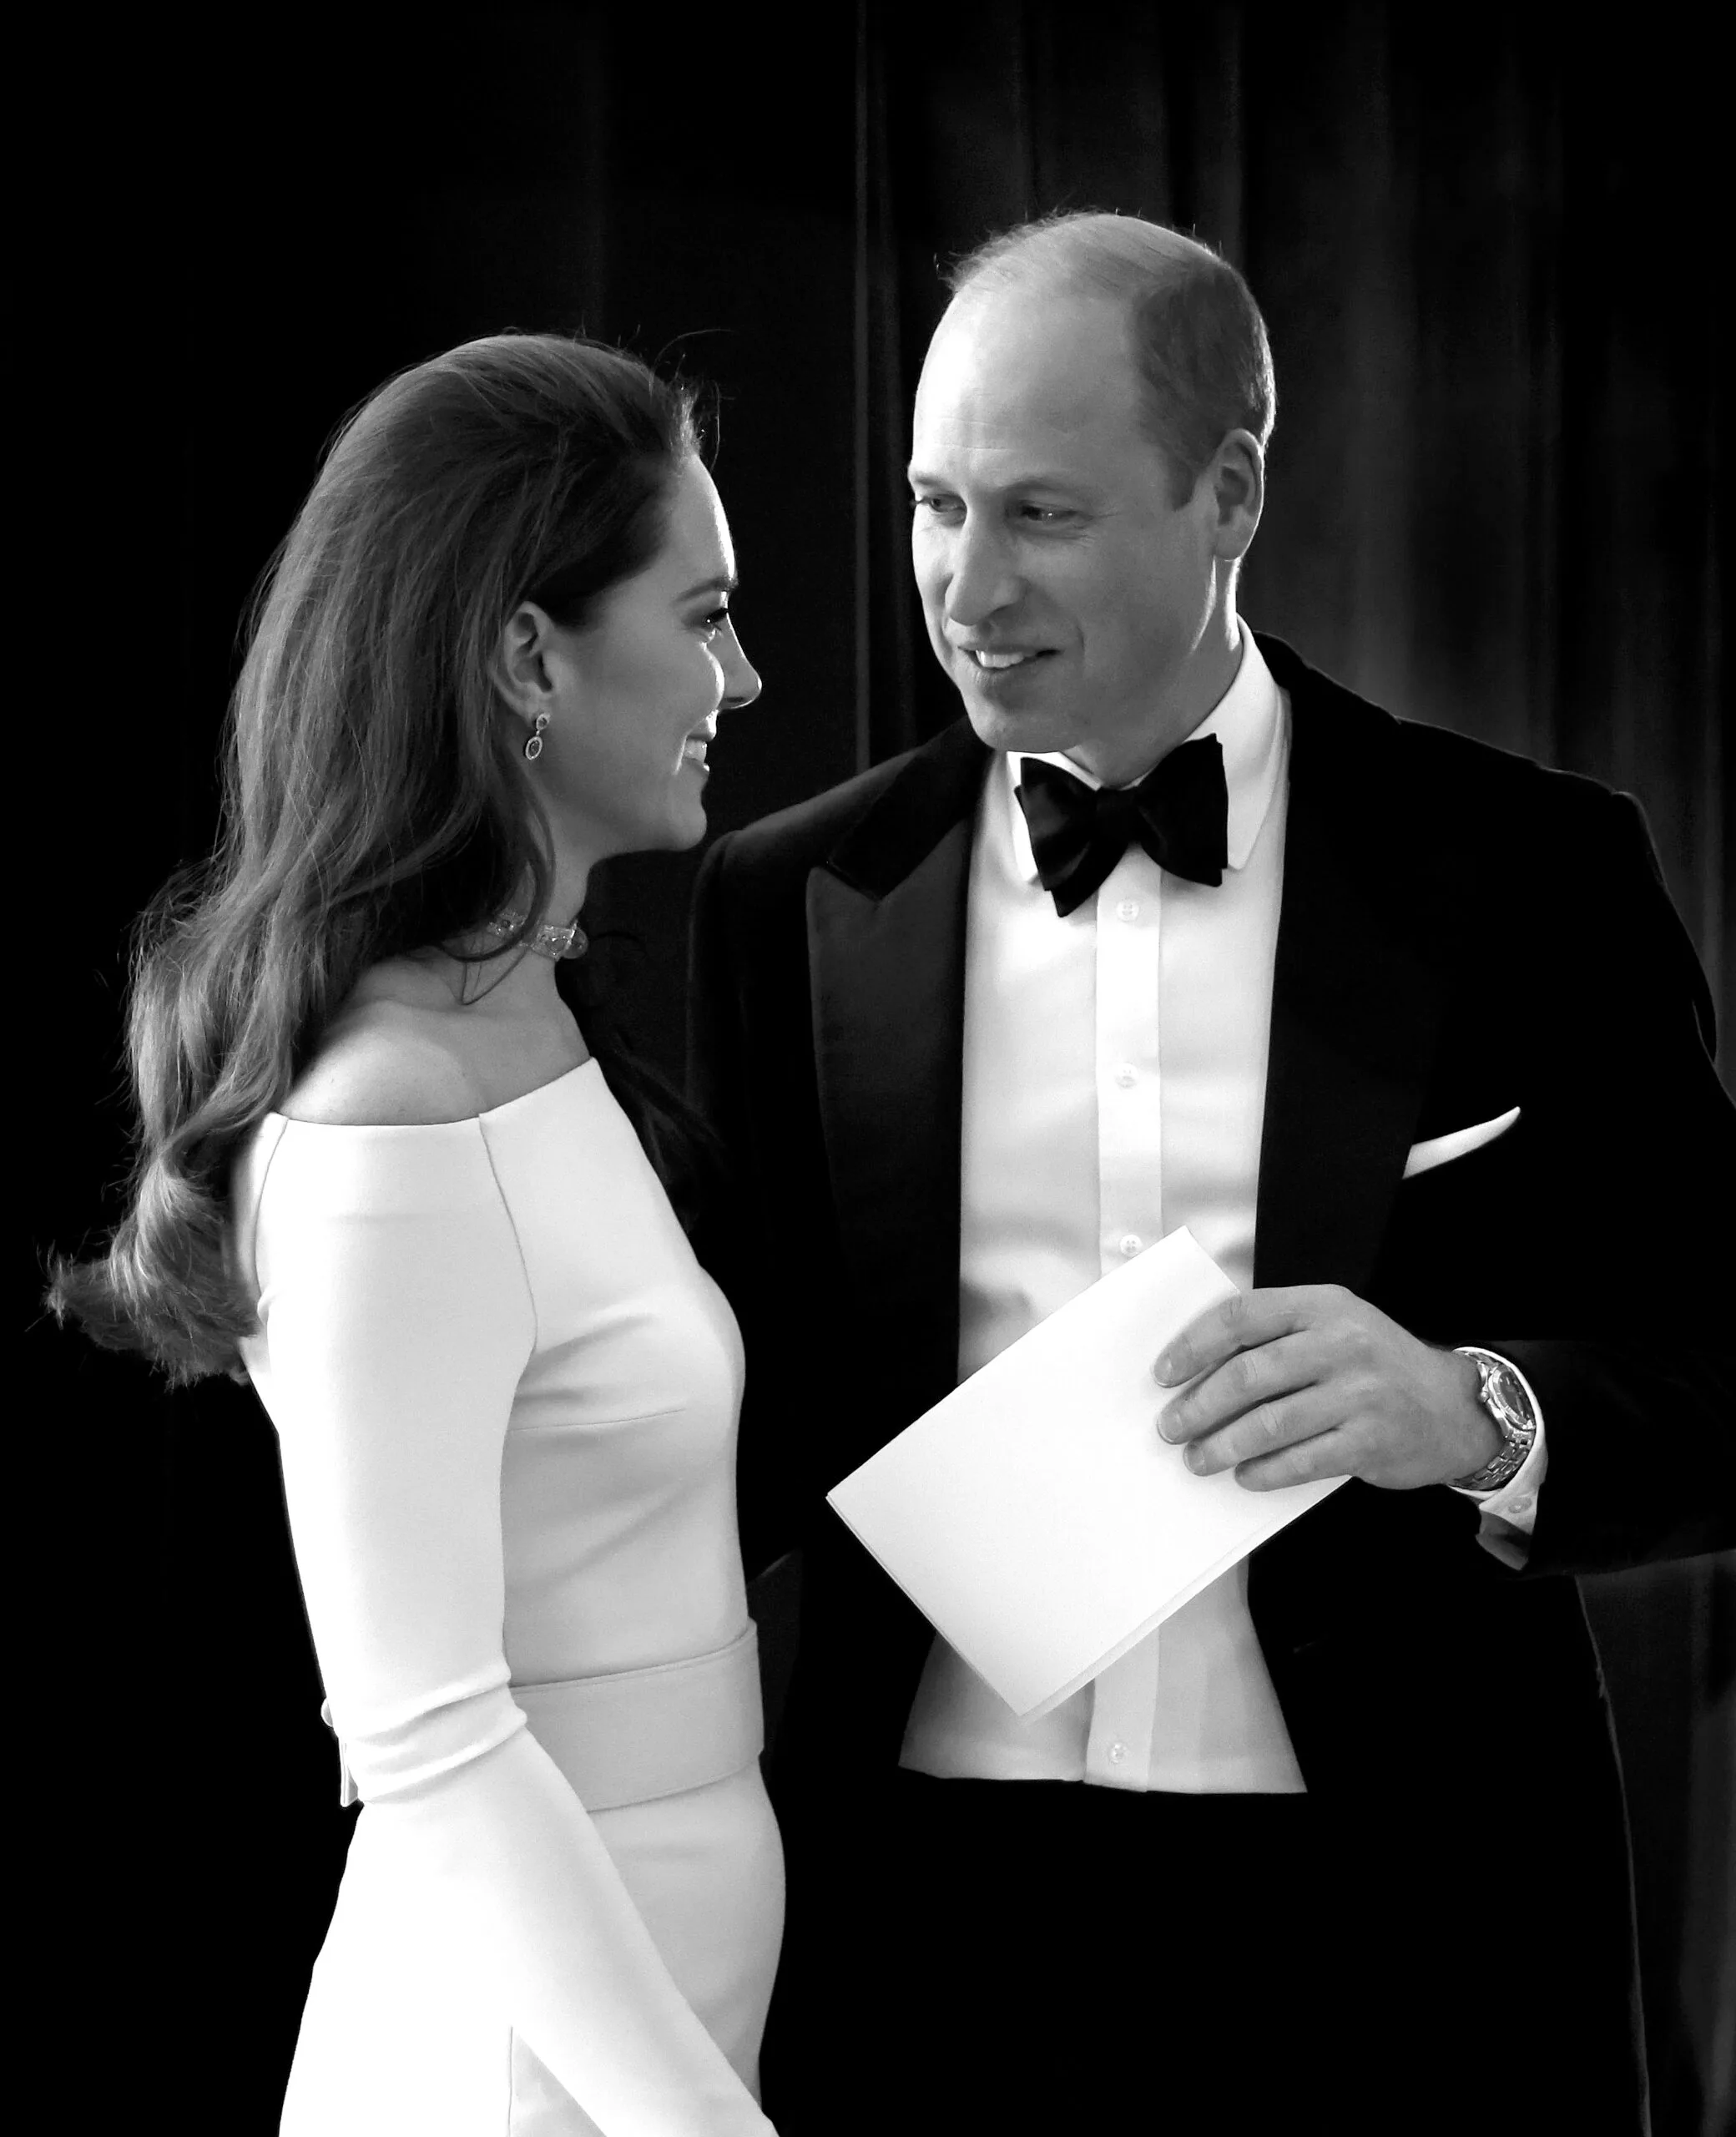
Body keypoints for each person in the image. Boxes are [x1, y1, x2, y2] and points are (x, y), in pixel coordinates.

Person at [688, 214, 1736, 2134]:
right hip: (919, 1938)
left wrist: (1477, 1410)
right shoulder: (782, 906)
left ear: (1228, 487)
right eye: (934, 505)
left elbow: (1734, 1366)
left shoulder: (1529, 871)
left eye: (1040, 514)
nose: (964, 586)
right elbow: (720, 1418)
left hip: (1402, 1936)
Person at [51, 334, 783, 2134]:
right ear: (527, 655)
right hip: (517, 2060)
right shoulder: (390, 1124)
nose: (745, 676)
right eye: (699, 616)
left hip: (627, 2007)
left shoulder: (527, 1024)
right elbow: (429, 1740)